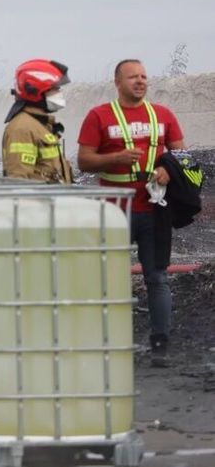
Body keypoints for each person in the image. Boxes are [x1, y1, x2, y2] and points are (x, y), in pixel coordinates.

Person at [77, 59, 185, 367]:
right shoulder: (99, 115)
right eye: (133, 77)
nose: (140, 81)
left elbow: (182, 155)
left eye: (143, 76)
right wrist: (116, 158)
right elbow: (84, 161)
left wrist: (167, 169)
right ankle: (107, 344)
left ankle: (160, 344)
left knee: (157, 276)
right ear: (117, 82)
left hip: (155, 209)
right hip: (114, 209)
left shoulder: (163, 115)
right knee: (108, 279)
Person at [2, 59, 73, 183]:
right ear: (35, 90)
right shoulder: (22, 129)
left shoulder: (40, 125)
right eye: (55, 89)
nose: (59, 93)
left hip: (53, 200)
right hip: (39, 201)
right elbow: (18, 181)